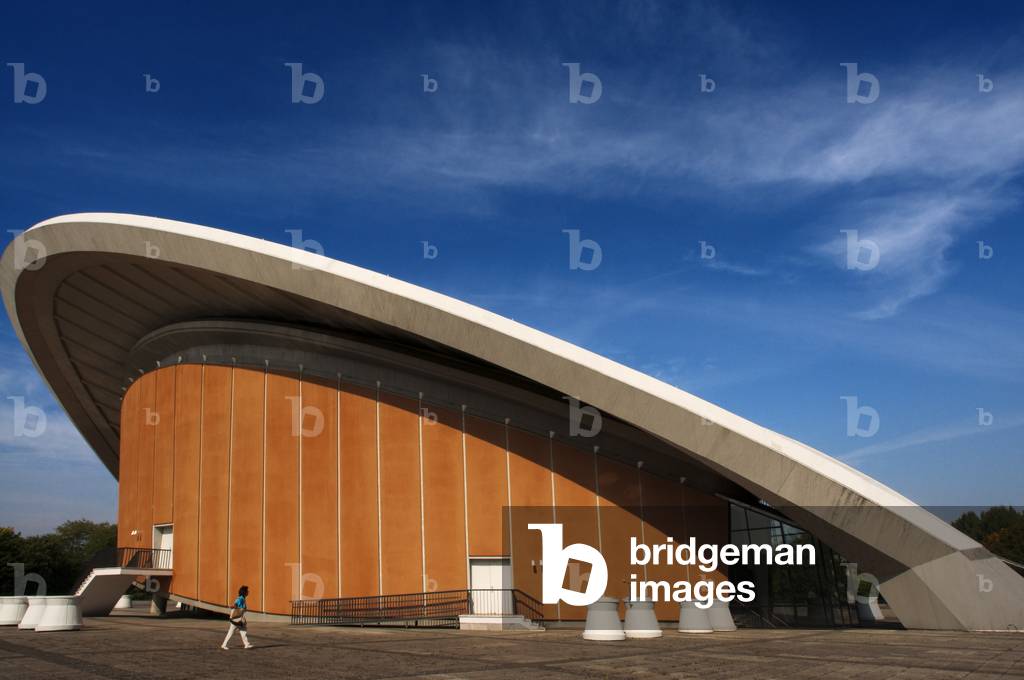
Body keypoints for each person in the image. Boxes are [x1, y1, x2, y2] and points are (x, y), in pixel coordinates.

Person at [221, 585, 253, 650]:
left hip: (239, 618)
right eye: (247, 591)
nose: (248, 592)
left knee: (243, 630)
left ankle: (246, 644)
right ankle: (224, 645)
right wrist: (236, 607)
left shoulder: (243, 598)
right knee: (232, 631)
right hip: (236, 618)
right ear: (244, 592)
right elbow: (236, 604)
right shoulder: (240, 599)